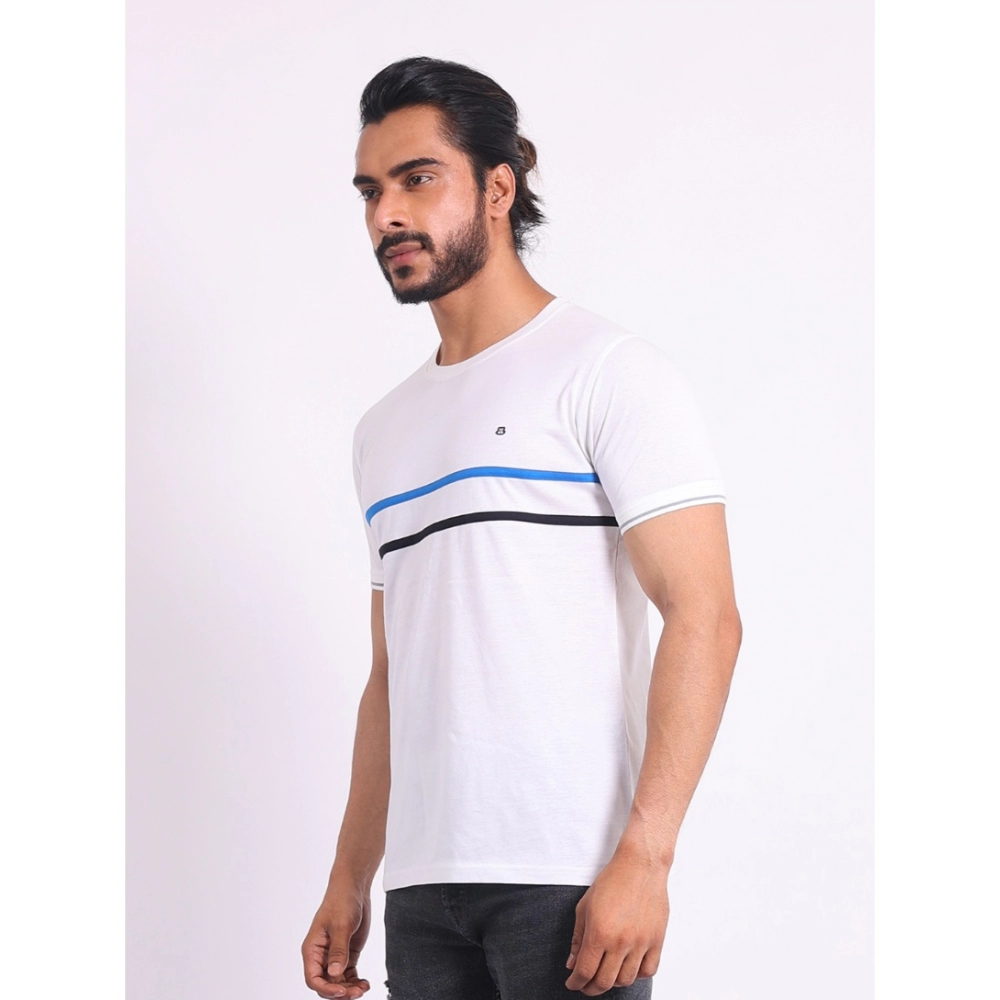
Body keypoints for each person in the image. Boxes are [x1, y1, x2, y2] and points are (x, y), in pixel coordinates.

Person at [301, 56, 742, 1000]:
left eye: (418, 179)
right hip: (423, 889)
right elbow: (391, 673)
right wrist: (351, 875)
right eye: (371, 191)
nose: (387, 215)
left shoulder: (608, 371)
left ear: (498, 189)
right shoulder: (382, 431)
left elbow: (705, 616)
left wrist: (648, 856)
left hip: (570, 876)